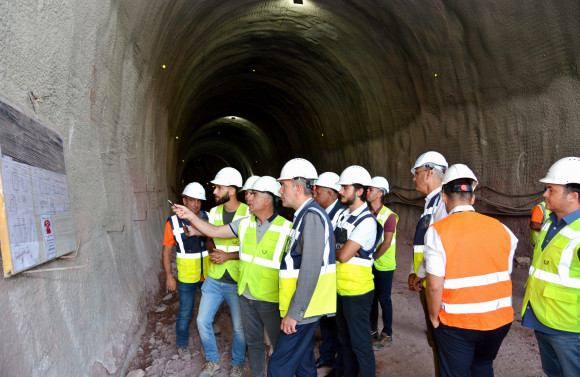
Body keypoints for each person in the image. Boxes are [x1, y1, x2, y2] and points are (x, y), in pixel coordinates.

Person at [174, 176, 292, 377]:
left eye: (254, 194)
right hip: (245, 293)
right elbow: (212, 231)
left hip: (271, 298)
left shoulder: (287, 229)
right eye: (249, 193)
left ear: (269, 199)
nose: (249, 198)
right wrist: (190, 216)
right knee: (253, 343)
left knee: (279, 346)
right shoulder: (244, 224)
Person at [424, 164, 518, 377]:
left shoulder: (438, 231)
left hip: (458, 323)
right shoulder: (502, 229)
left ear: (444, 197)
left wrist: (433, 317)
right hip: (498, 320)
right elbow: (505, 272)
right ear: (473, 198)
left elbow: (434, 285)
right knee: (483, 367)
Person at [267, 158, 336, 377]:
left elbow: (310, 268)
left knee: (278, 368)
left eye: (283, 185)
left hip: (304, 310)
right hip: (304, 307)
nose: (279, 190)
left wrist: (294, 314)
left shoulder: (312, 217)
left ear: (298, 187)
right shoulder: (303, 216)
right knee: (304, 364)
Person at [521, 157, 580, 377]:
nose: (545, 194)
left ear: (573, 196)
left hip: (568, 327)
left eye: (551, 189)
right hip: (542, 316)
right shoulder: (551, 222)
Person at [196, 167, 250, 377]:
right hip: (215, 277)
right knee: (202, 321)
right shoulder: (216, 212)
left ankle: (237, 363)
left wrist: (227, 256)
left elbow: (252, 248)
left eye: (218, 187)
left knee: (239, 327)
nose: (215, 191)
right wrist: (213, 251)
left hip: (237, 279)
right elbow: (210, 238)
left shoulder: (248, 212)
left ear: (232, 190)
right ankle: (212, 361)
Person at [334, 165, 382, 377]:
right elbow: (334, 246)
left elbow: (342, 255)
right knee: (344, 340)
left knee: (360, 345)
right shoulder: (342, 215)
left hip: (357, 292)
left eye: (345, 187)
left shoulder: (367, 221)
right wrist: (341, 248)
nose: (341, 191)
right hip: (339, 289)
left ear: (360, 191)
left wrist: (340, 249)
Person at [162, 182, 213, 360]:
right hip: (186, 277)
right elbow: (166, 251)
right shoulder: (173, 223)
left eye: (199, 201)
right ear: (184, 200)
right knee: (185, 312)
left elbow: (214, 242)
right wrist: (169, 276)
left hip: (207, 274)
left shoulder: (207, 217)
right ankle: (182, 345)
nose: (196, 205)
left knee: (210, 311)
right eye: (192, 200)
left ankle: (208, 341)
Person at [408, 151, 449, 377]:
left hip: (437, 281)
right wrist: (415, 272)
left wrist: (421, 273)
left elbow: (439, 247)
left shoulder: (442, 203)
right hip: (427, 278)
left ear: (430, 172)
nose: (414, 179)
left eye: (417, 173)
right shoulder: (432, 203)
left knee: (440, 339)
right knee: (435, 340)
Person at [312, 172, 345, 376]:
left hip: (338, 277)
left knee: (337, 321)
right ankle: (326, 356)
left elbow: (340, 247)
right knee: (325, 318)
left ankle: (338, 362)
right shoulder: (319, 212)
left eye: (319, 192)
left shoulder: (341, 214)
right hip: (324, 274)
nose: (315, 195)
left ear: (332, 193)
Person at [367, 176, 398, 350]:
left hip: (384, 265)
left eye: (371, 189)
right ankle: (372, 331)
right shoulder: (366, 212)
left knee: (384, 299)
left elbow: (386, 243)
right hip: (371, 263)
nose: (367, 192)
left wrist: (371, 258)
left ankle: (387, 333)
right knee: (371, 299)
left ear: (380, 193)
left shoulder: (389, 216)